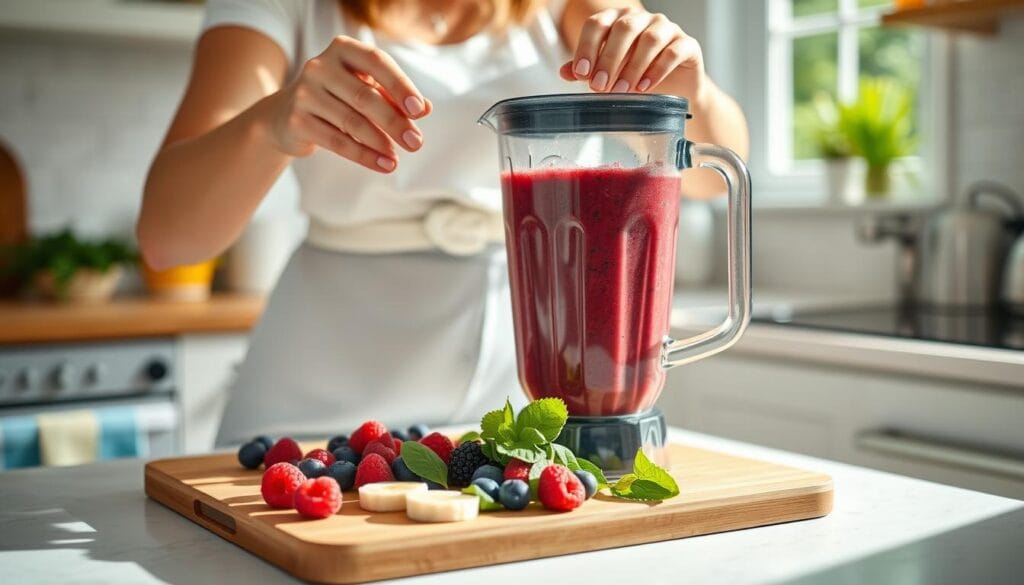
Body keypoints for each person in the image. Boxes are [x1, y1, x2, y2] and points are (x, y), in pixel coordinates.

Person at [137, 0, 749, 446]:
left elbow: (709, 175)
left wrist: (691, 90)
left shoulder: (568, 8)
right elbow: (168, 238)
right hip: (315, 397)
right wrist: (271, 122)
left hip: (524, 397)